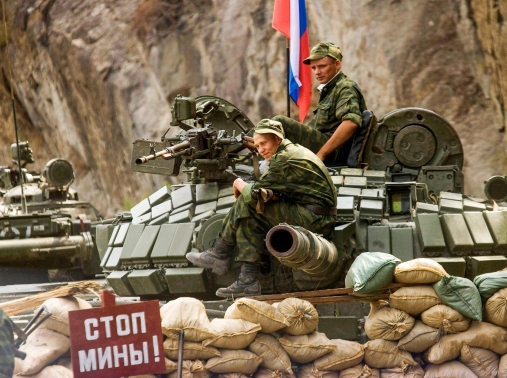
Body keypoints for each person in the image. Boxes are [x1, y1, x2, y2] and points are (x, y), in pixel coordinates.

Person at [186, 119, 337, 298]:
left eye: (264, 143)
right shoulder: (292, 151)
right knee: (252, 211)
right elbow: (270, 192)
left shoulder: (284, 159)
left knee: (247, 201)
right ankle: (246, 280)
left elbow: (253, 193)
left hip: (315, 218)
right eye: (257, 146)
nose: (261, 150)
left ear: (278, 139)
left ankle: (221, 252)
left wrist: (237, 182)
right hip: (312, 212)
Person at [273, 42, 367, 166]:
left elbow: (351, 123)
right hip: (327, 145)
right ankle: (252, 142)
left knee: (280, 123)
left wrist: (321, 155)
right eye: (314, 68)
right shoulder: (329, 89)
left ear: (337, 64)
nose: (317, 72)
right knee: (268, 129)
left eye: (322, 66)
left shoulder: (345, 87)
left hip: (336, 152)